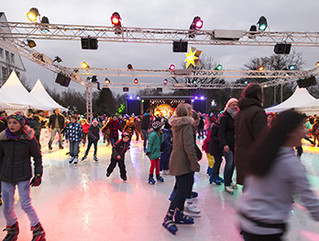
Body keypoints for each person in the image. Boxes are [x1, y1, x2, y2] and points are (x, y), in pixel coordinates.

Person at [236, 110, 319, 241]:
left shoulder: (263, 151)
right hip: (266, 229)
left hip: (247, 221)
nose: (305, 132)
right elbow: (310, 201)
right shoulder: (290, 163)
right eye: (301, 127)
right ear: (290, 131)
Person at [0, 113, 45, 240]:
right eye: (9, 123)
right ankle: (12, 228)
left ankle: (38, 230)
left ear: (21, 124)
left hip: (23, 175)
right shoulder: (3, 139)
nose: (11, 125)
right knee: (7, 206)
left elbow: (37, 157)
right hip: (6, 175)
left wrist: (38, 174)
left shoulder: (29, 139)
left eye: (15, 123)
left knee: (25, 204)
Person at [162, 103, 200, 235]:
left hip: (180, 159)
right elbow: (189, 146)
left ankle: (179, 214)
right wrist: (195, 163)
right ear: (187, 112)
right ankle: (168, 217)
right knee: (182, 190)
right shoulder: (187, 125)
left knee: (184, 188)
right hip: (183, 161)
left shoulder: (178, 125)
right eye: (190, 110)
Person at [235, 83, 267, 188]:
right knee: (256, 189)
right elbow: (261, 138)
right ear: (258, 95)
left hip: (241, 154)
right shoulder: (257, 112)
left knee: (248, 187)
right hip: (254, 156)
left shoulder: (240, 113)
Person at [219, 98, 239, 195]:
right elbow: (221, 132)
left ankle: (230, 180)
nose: (235, 107)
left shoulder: (237, 117)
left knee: (234, 164)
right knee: (229, 163)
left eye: (236, 105)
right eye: (233, 105)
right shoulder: (224, 117)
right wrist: (224, 144)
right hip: (227, 144)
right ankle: (227, 184)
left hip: (235, 143)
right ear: (229, 106)